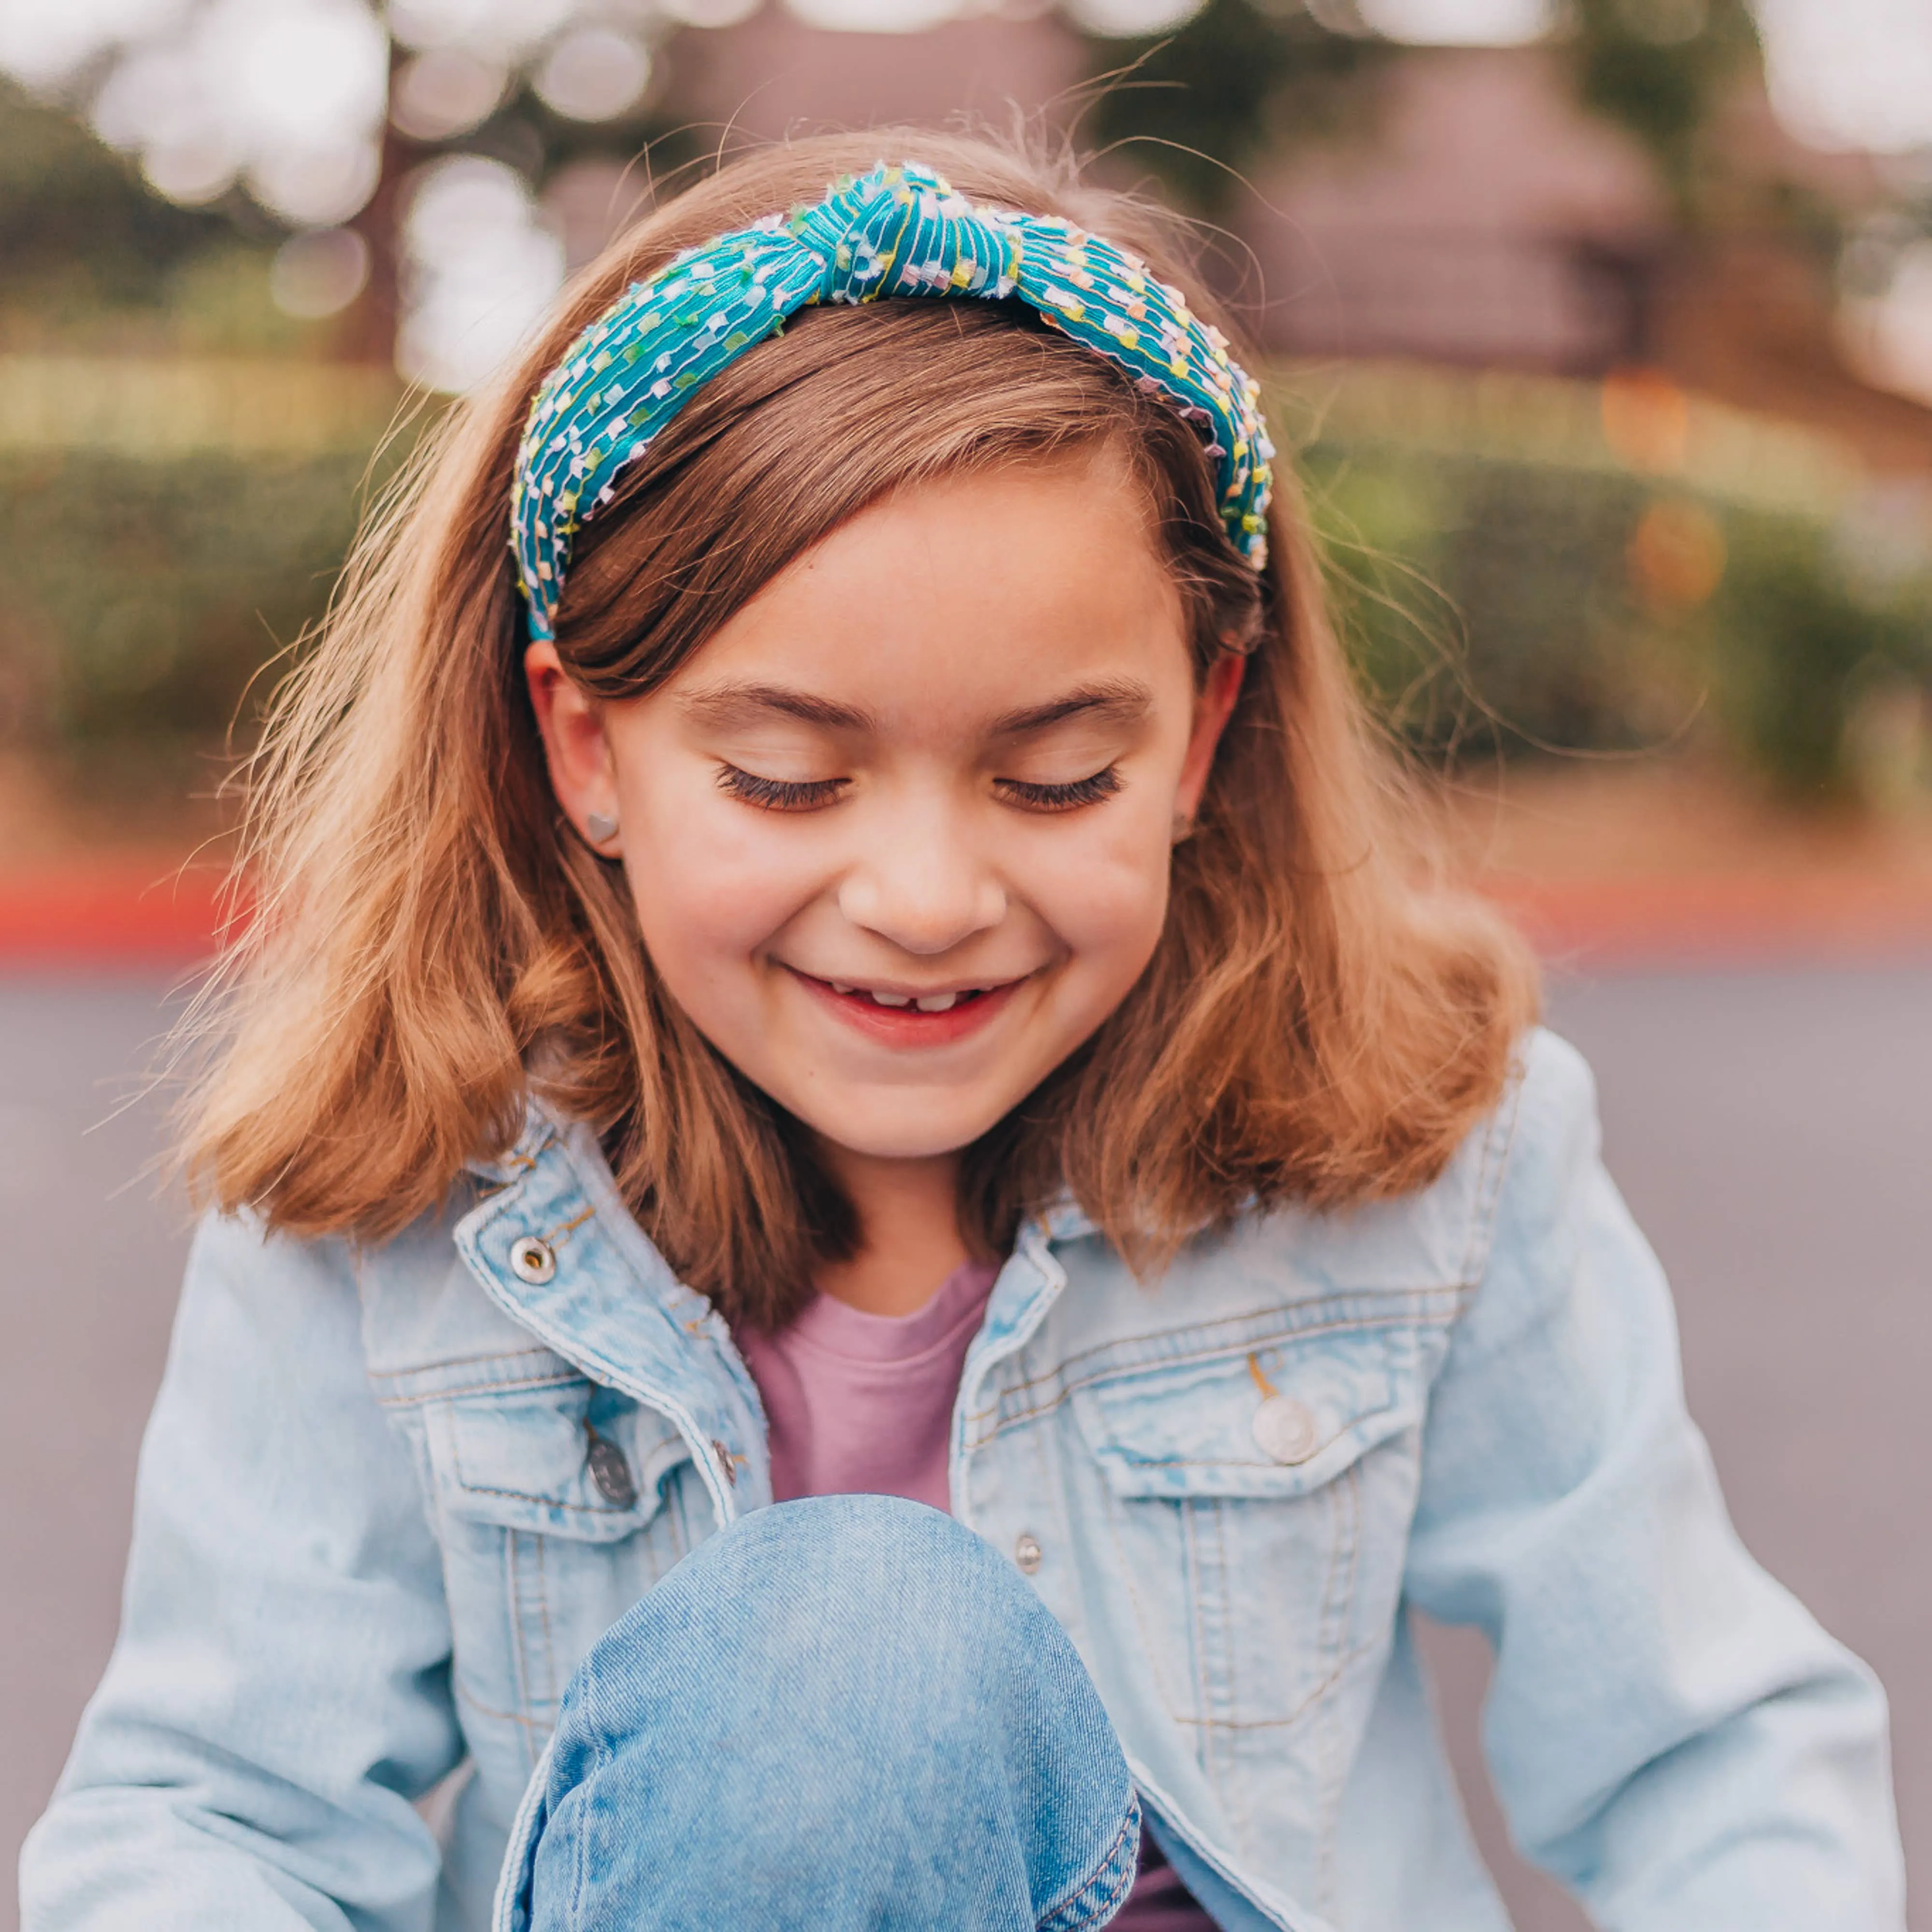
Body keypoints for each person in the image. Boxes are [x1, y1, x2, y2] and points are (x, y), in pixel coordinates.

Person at [21, 133, 1902, 1932]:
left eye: (1054, 774)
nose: (925, 896)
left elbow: (1700, 1753)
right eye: (784, 779)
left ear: (1201, 727)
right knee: (861, 1647)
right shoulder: (398, 1193)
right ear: (585, 746)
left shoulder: (1428, 1146)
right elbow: (224, 1815)